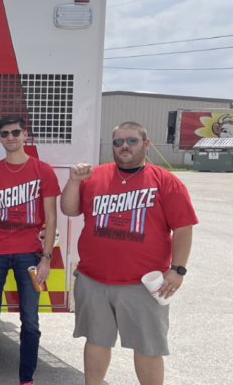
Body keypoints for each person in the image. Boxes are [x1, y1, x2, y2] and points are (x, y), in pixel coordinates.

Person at [61, 121, 197, 385]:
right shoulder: (94, 176)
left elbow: (183, 227)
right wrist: (74, 182)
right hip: (94, 279)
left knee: (148, 347)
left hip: (143, 283)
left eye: (132, 141)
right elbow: (69, 209)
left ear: (146, 144)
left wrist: (178, 269)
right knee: (96, 340)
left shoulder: (165, 181)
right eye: (118, 142)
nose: (124, 146)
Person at [0, 114, 60, 385]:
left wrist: (47, 258)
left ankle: (26, 379)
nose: (11, 137)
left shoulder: (43, 170)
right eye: (5, 133)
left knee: (30, 321)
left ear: (25, 135)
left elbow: (51, 218)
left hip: (30, 255)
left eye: (16, 132)